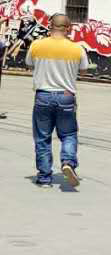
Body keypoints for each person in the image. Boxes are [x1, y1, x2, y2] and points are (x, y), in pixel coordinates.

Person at [25, 14, 88, 188]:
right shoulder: (77, 49)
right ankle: (68, 162)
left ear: (50, 26)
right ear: (68, 28)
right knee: (68, 134)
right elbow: (83, 71)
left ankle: (45, 178)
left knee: (42, 137)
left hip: (43, 95)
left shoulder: (37, 45)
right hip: (66, 96)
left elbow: (29, 64)